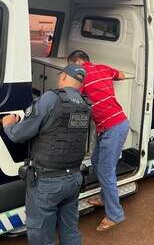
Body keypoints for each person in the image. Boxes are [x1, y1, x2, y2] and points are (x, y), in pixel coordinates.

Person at [2, 64, 90, 245]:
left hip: (48, 182)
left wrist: (9, 124)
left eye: (60, 75)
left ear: (64, 77)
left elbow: (19, 134)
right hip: (74, 178)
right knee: (70, 230)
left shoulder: (52, 98)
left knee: (41, 235)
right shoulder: (85, 104)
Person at [67, 50, 129, 231]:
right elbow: (122, 75)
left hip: (114, 127)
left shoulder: (82, 76)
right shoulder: (103, 68)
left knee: (106, 170)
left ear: (78, 62)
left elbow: (70, 95)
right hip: (114, 124)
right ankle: (104, 197)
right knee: (96, 161)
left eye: (71, 66)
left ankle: (115, 214)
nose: (70, 71)